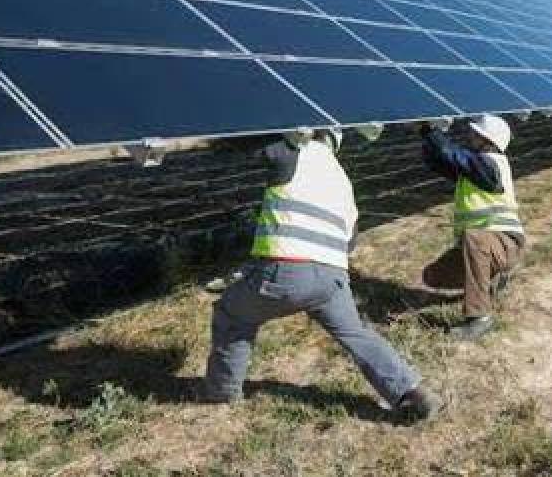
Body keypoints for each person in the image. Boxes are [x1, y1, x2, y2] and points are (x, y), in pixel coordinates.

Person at [203, 128, 440, 420]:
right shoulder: (343, 181)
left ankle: (222, 393)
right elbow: (350, 240)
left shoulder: (296, 152)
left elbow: (255, 142)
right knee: (355, 332)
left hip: (285, 271)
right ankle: (410, 391)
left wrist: (210, 139)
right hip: (333, 278)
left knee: (232, 314)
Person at [420, 114, 525, 341]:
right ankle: (490, 279)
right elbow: (441, 160)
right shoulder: (474, 170)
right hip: (481, 246)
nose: (470, 136)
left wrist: (433, 131)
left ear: (489, 140)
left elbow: (454, 155)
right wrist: (426, 136)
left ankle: (479, 318)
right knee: (433, 277)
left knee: (474, 238)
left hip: (504, 242)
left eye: (476, 134)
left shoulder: (491, 165)